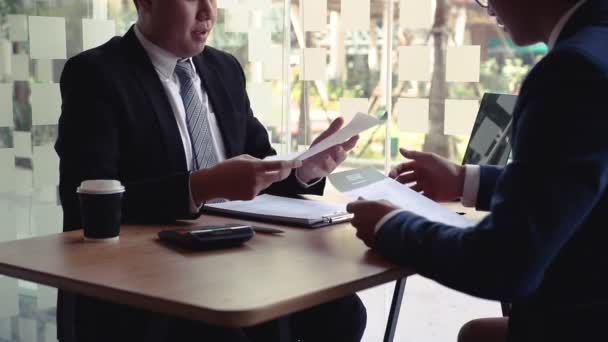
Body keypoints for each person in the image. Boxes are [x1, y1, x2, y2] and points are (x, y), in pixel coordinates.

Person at [54, 0, 366, 341]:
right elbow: (87, 200)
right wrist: (198, 187)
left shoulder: (224, 69)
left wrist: (305, 170)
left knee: (343, 312)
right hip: (149, 283)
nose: (208, 12)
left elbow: (257, 166)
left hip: (237, 263)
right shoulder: (97, 74)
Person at [346, 0, 608, 340]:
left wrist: (389, 225)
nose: (487, 7)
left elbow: (504, 263)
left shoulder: (573, 70)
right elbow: (580, 178)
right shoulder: (597, 46)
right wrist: (465, 181)